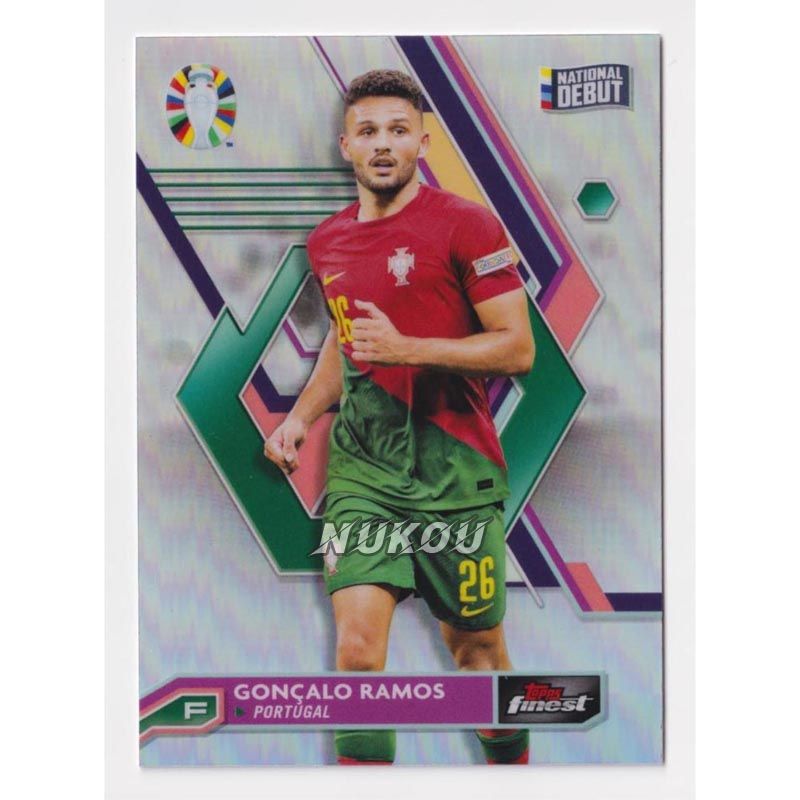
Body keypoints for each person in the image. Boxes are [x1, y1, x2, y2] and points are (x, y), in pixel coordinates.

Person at [264, 69, 534, 765]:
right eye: (367, 131)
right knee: (357, 652)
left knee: (478, 656)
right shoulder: (327, 243)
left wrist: (409, 348)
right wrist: (300, 417)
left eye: (397, 130)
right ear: (345, 146)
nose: (382, 144)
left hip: (457, 474)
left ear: (422, 141)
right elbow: (345, 342)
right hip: (364, 474)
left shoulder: (468, 225)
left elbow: (518, 348)